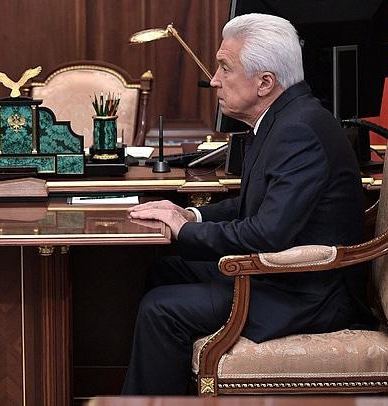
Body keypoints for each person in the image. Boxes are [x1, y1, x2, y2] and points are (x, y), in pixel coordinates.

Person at [121, 14, 375, 394]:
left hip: (308, 293)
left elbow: (268, 233)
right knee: (165, 270)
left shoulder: (299, 130)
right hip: (284, 279)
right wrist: (190, 214)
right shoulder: (283, 119)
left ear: (265, 82)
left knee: (161, 309)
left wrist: (187, 231)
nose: (214, 80)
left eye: (225, 68)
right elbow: (255, 205)